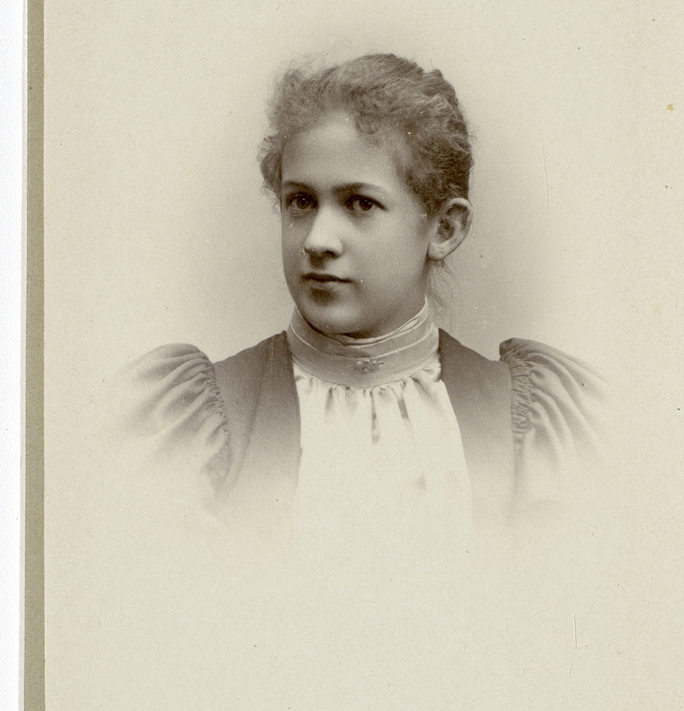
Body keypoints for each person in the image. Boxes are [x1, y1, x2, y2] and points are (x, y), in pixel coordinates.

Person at [115, 54, 603, 547]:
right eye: (301, 201)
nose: (317, 240)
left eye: (360, 204)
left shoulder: (540, 423)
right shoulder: (192, 422)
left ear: (444, 228)